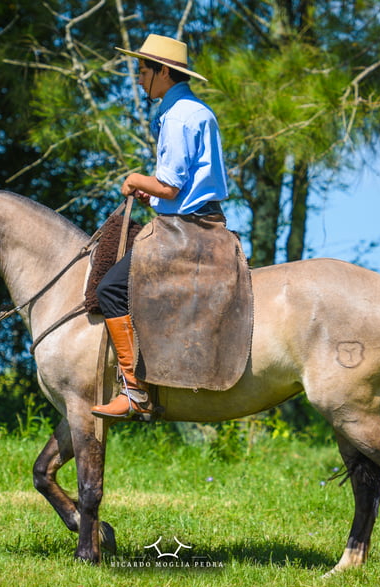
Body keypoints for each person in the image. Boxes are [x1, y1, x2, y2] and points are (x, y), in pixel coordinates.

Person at [90, 33, 229, 420]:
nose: (137, 78)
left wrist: (136, 180)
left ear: (162, 72)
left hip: (186, 227)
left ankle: (134, 390)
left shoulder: (179, 116)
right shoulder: (189, 110)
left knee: (111, 288)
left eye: (142, 69)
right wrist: (156, 197)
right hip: (192, 217)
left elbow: (170, 184)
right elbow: (175, 190)